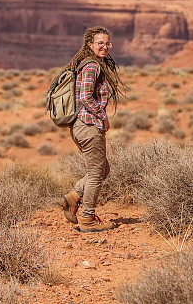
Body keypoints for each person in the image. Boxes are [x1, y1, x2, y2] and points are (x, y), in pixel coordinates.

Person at [58, 26, 127, 232]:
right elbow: (85, 97)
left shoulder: (89, 64)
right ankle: (87, 219)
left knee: (103, 169)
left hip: (82, 126)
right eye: (100, 43)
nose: (105, 47)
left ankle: (73, 197)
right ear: (90, 45)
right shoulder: (92, 67)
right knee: (96, 173)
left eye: (108, 43)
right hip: (89, 126)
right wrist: (103, 116)